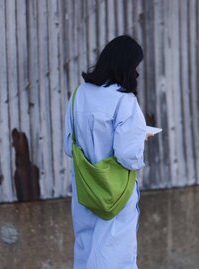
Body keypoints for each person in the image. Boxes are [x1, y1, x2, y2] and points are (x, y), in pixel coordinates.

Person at [63, 35, 149, 269]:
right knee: (115, 256)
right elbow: (127, 155)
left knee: (86, 252)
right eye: (135, 67)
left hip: (85, 191)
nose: (137, 73)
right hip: (115, 193)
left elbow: (68, 146)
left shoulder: (79, 95)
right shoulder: (125, 101)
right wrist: (141, 135)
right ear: (125, 66)